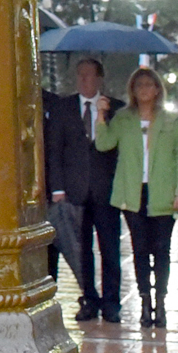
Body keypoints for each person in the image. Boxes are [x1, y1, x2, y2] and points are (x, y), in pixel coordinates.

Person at [94, 67, 178, 329]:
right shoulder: (123, 119)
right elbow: (104, 144)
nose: (145, 90)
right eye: (139, 86)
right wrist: (101, 116)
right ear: (133, 91)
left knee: (161, 250)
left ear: (157, 89)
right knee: (139, 250)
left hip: (162, 193)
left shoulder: (171, 121)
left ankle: (161, 302)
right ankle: (145, 302)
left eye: (149, 85)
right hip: (132, 194)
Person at [45, 57, 123, 324]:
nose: (84, 80)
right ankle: (88, 298)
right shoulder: (63, 108)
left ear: (100, 79)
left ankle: (112, 303)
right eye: (80, 76)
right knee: (81, 250)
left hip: (106, 192)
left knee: (110, 249)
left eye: (89, 76)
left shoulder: (116, 108)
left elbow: (122, 152)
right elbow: (54, 151)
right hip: (74, 193)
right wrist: (57, 189)